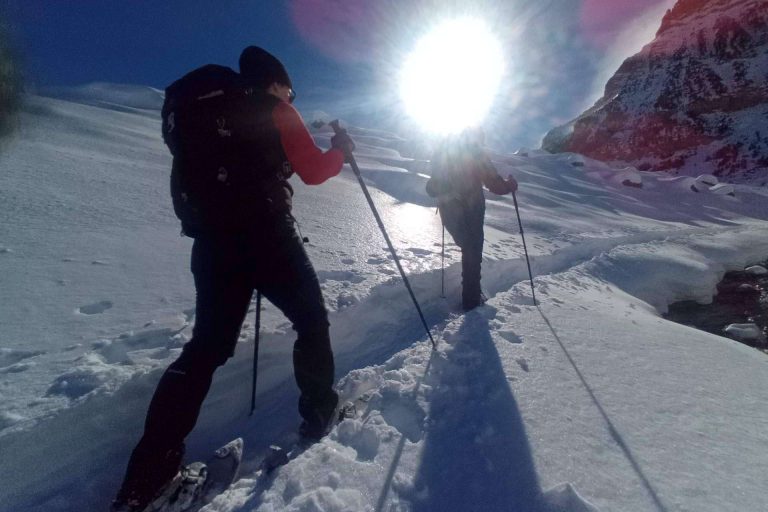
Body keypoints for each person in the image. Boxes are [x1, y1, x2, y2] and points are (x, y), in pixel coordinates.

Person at [111, 46, 355, 512]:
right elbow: (314, 171)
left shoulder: (197, 108)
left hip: (212, 243)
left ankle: (146, 478)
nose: (291, 95)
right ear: (276, 82)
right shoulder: (274, 107)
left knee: (205, 350)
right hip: (268, 236)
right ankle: (320, 412)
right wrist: (340, 152)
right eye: (289, 88)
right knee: (311, 320)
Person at [426, 127, 517, 311]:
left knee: (467, 248)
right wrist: (510, 185)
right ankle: (472, 300)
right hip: (471, 208)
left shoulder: (446, 153)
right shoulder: (477, 154)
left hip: (447, 210)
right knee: (473, 251)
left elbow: (431, 187)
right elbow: (495, 184)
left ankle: (472, 294)